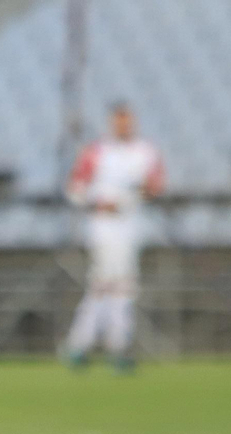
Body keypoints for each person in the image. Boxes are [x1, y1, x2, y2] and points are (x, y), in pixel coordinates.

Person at [63, 101, 165, 372]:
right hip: (102, 224)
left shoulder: (145, 151)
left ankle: (89, 344)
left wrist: (137, 194)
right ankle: (107, 345)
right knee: (112, 284)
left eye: (126, 120)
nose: (123, 125)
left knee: (113, 285)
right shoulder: (97, 151)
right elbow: (75, 188)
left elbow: (156, 185)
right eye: (118, 120)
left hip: (131, 223)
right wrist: (97, 203)